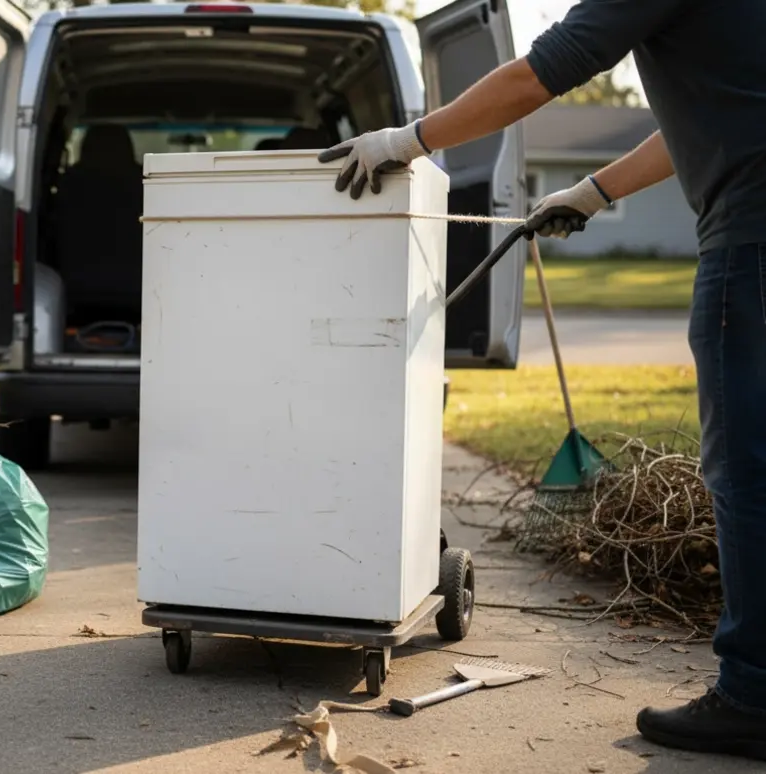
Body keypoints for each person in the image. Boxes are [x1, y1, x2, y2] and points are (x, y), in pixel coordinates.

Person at [317, 0, 766, 762]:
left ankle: (754, 695)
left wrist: (407, 140)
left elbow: (536, 76)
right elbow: (715, 119)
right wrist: (594, 191)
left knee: (747, 471)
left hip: (751, 246)